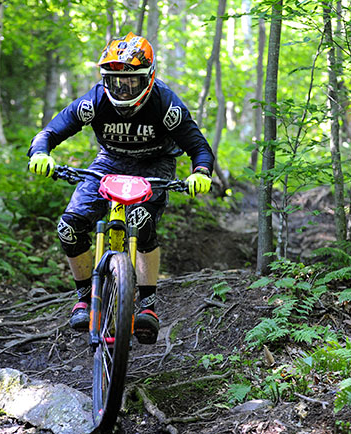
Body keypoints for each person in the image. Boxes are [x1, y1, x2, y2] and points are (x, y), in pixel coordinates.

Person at [27, 32, 214, 345]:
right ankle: (85, 297)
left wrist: (201, 173)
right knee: (69, 228)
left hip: (154, 166)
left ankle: (147, 304)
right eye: (115, 82)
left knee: (141, 220)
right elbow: (52, 129)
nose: (123, 88)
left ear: (149, 79)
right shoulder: (95, 100)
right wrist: (41, 152)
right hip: (108, 163)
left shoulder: (166, 105)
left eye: (131, 82)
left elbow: (199, 147)